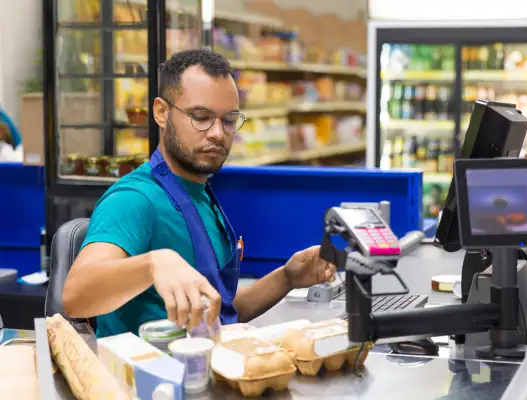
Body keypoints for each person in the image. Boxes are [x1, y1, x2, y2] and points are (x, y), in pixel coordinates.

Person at [62, 49, 336, 337]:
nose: (217, 133)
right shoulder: (135, 200)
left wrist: (287, 278)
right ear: (161, 113)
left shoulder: (201, 195)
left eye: (228, 120)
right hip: (148, 379)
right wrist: (153, 264)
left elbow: (219, 314)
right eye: (201, 116)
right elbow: (75, 296)